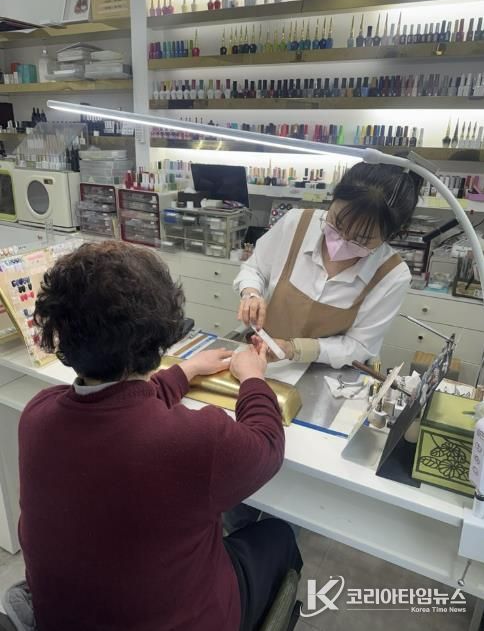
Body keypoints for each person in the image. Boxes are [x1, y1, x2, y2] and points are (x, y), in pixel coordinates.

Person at [18, 241, 302, 631]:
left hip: (60, 618)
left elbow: (119, 404)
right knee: (279, 535)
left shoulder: (37, 416)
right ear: (159, 341)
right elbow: (267, 445)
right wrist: (253, 378)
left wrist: (184, 372)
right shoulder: (195, 442)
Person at [234, 162, 423, 368]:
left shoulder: (392, 275)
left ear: (390, 235)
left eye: (361, 239)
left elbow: (359, 345)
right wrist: (251, 293)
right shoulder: (296, 224)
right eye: (337, 223)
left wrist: (292, 349)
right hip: (263, 358)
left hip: (328, 375)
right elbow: (255, 268)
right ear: (332, 201)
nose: (342, 240)